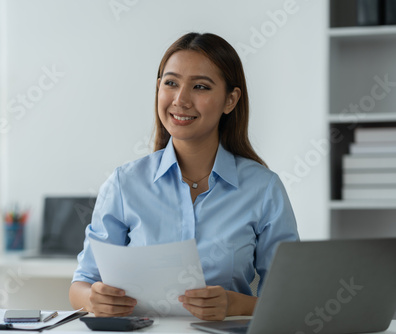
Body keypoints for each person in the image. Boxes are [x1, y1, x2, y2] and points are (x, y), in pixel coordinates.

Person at [69, 32, 299, 321]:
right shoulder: (124, 184)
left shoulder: (264, 189)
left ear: (230, 100)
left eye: (200, 86)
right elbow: (81, 284)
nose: (180, 99)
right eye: (171, 83)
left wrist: (235, 304)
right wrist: (95, 299)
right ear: (158, 89)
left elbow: (290, 300)